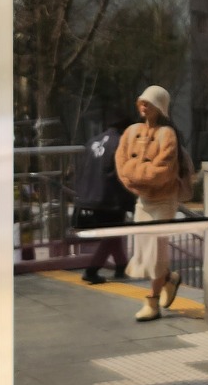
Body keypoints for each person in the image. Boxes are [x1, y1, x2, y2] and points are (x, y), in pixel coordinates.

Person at [114, 85, 183, 322]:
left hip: (164, 200)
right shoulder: (131, 132)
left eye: (149, 102)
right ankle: (169, 279)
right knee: (144, 250)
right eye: (141, 101)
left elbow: (161, 173)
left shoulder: (167, 134)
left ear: (160, 107)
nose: (143, 105)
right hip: (143, 200)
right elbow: (121, 165)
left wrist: (135, 173)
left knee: (155, 252)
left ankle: (152, 302)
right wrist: (138, 177)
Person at [75, 115, 132, 285]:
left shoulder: (92, 141)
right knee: (111, 235)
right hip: (111, 196)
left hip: (90, 194)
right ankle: (91, 270)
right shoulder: (121, 143)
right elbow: (123, 173)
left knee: (113, 234)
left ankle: (121, 266)